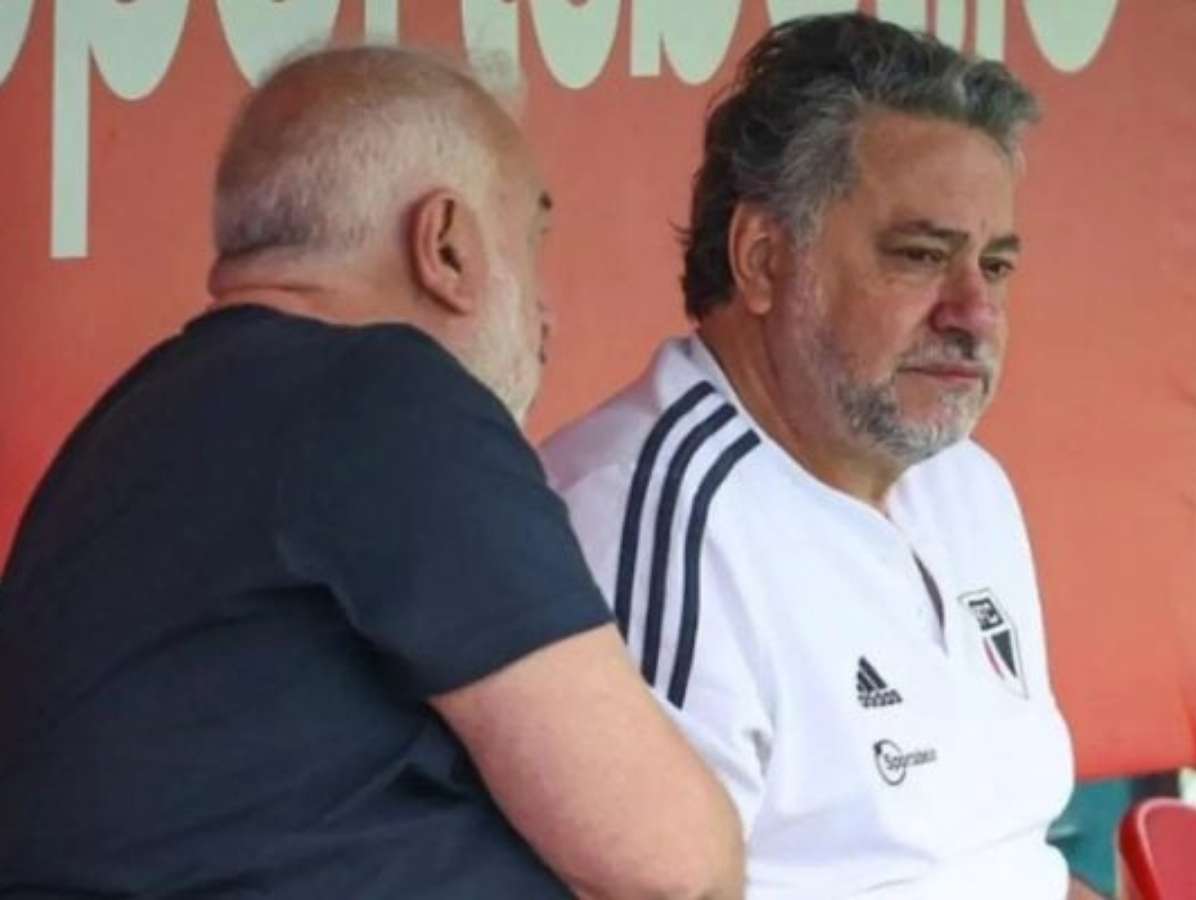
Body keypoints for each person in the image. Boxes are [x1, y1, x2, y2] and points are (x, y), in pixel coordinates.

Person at [0, 45, 743, 899]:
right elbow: (671, 865)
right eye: (530, 242)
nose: (545, 313)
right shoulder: (389, 397)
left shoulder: (135, 419)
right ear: (447, 246)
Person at [542, 14, 1095, 899]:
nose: (974, 314)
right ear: (764, 260)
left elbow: (1010, 865)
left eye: (994, 268)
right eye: (921, 256)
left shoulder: (966, 482)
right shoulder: (651, 512)